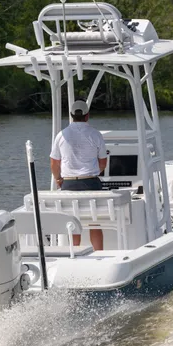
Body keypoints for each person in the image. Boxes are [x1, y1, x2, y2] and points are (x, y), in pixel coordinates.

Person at [50, 99, 108, 250]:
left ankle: (74, 253)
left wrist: (58, 178)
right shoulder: (96, 134)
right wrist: (93, 172)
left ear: (71, 115)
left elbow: (54, 163)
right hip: (91, 183)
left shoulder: (61, 135)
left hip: (69, 184)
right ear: (87, 115)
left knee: (73, 221)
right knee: (94, 222)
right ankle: (98, 253)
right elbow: (103, 162)